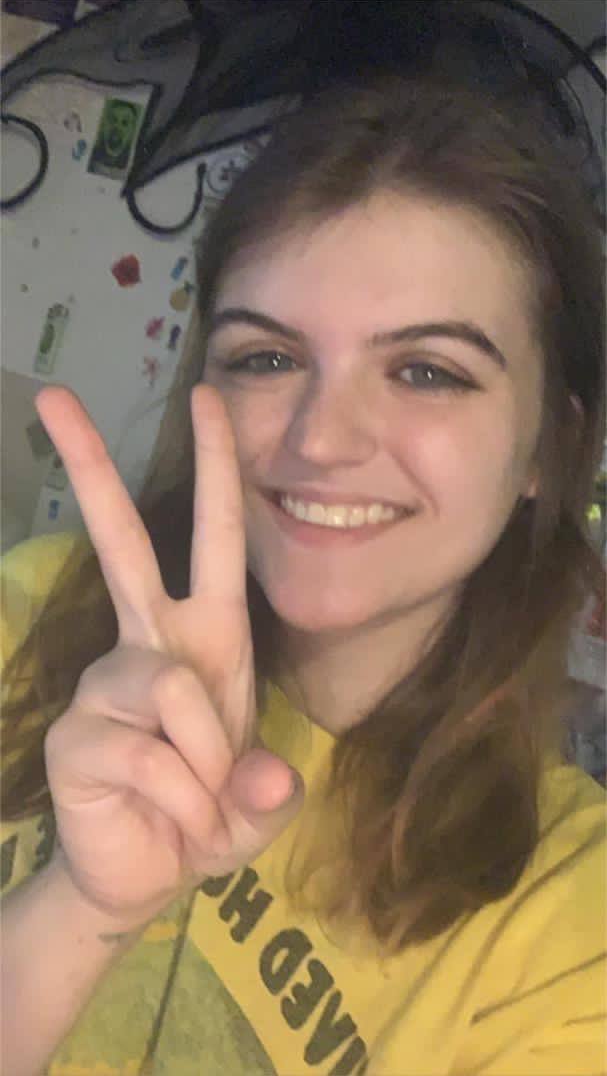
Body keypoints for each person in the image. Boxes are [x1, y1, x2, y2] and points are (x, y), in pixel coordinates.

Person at [1, 73, 605, 1076]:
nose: (321, 440)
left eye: (426, 371)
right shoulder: (30, 611)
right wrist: (80, 906)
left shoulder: (571, 930)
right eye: (266, 358)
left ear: (548, 445)